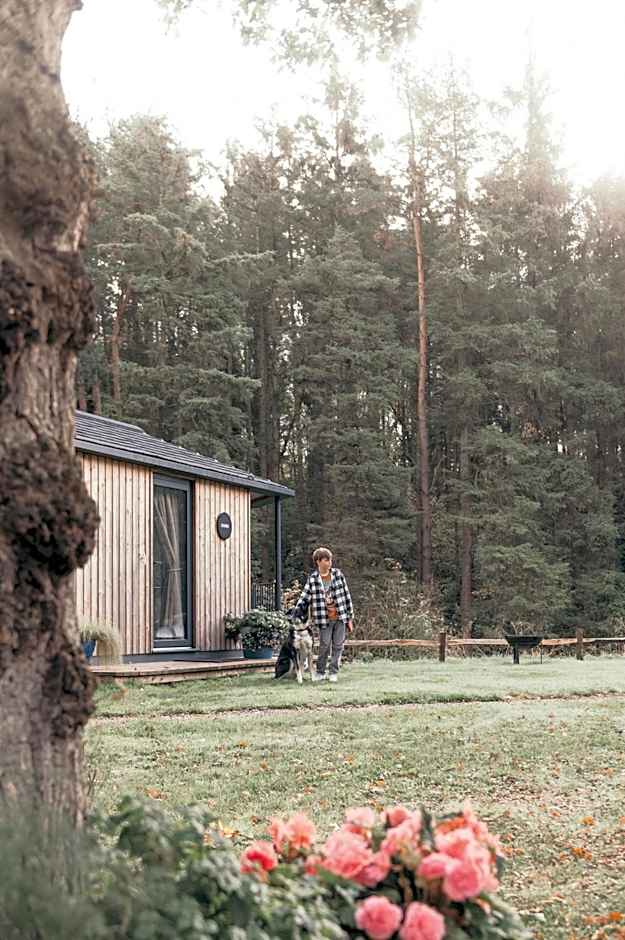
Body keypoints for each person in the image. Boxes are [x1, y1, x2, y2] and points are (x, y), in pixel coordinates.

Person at [293, 547, 354, 683]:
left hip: (341, 617)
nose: (329, 562)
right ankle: (320, 671)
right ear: (318, 562)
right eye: (326, 560)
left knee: (338, 646)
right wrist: (295, 613)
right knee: (324, 645)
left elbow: (346, 595)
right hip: (323, 619)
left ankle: (333, 672)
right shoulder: (313, 578)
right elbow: (304, 597)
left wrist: (350, 617)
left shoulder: (338, 574)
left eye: (330, 560)